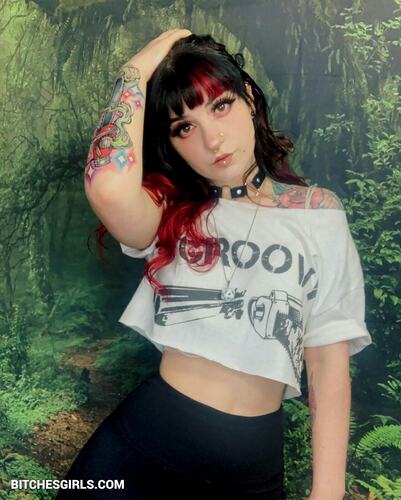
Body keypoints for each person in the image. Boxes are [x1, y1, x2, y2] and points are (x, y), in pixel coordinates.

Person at [57, 29, 372, 499]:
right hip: (139, 453)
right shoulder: (169, 208)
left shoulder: (317, 211)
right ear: (173, 143)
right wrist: (136, 71)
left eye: (220, 106)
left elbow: (327, 360)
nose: (212, 138)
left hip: (251, 469)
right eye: (184, 127)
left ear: (249, 100)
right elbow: (106, 186)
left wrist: (328, 491)